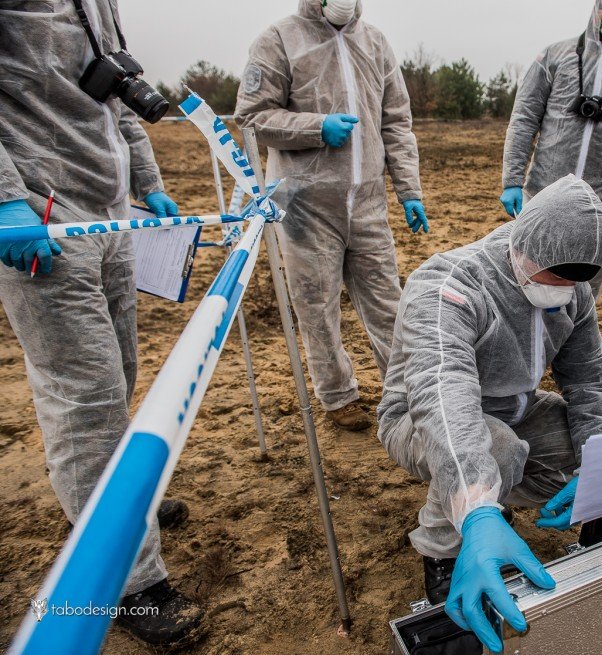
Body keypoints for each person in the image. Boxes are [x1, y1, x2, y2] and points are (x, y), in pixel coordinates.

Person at [0, 0, 201, 645]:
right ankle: (129, 584)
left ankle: (115, 508)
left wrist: (147, 177)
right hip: (43, 219)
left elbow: (113, 82)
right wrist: (5, 198)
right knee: (85, 403)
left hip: (111, 216)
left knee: (118, 380)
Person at [378, 175, 602, 654]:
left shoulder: (574, 292)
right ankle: (447, 550)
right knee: (496, 449)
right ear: (522, 246)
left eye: (575, 281)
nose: (563, 290)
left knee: (597, 454)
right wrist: (477, 509)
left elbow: (589, 379)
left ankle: (498, 494)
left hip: (515, 409)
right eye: (554, 276)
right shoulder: (450, 284)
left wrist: (601, 461)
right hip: (419, 418)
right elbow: (442, 394)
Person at [236, 0, 428, 431]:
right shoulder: (279, 39)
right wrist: (315, 127)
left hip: (368, 202)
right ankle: (338, 395)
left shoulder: (375, 41)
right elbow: (252, 118)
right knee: (316, 305)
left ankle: (407, 393)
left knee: (387, 303)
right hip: (306, 202)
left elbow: (396, 121)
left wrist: (408, 188)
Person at [500, 0, 602, 299]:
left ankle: (574, 340)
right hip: (543, 196)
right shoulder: (554, 56)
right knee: (529, 278)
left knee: (584, 290)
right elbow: (523, 120)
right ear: (597, 12)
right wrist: (511, 180)